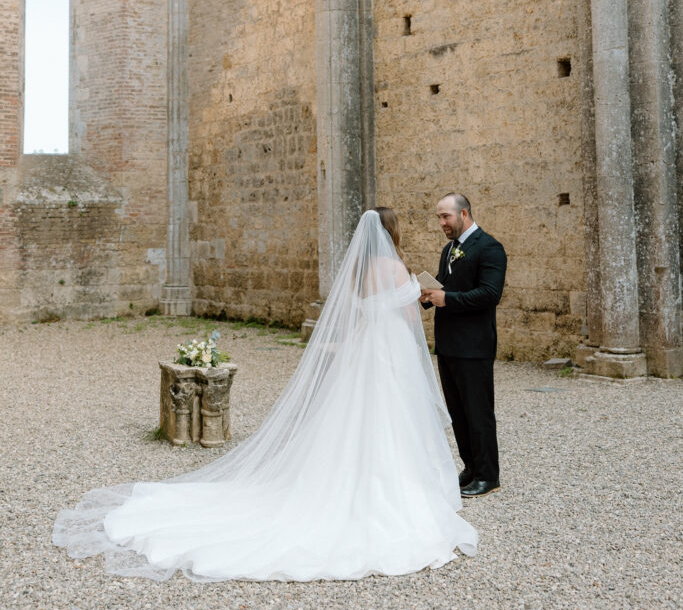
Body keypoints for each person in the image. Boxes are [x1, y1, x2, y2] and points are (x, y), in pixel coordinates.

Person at [53, 208, 477, 582]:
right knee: (392, 417)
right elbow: (406, 316)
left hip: (366, 350)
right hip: (391, 352)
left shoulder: (359, 270)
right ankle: (395, 488)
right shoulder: (395, 267)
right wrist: (419, 297)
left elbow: (355, 311)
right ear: (392, 232)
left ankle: (345, 478)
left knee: (355, 414)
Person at [420, 193, 506, 498]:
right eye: (439, 217)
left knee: (478, 411)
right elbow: (447, 287)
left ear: (464, 214)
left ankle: (488, 475)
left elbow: (489, 294)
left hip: (475, 345)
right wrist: (429, 296)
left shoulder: (490, 247)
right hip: (449, 344)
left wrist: (449, 299)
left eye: (446, 217)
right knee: (458, 411)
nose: (442, 223)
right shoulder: (449, 249)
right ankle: (470, 467)